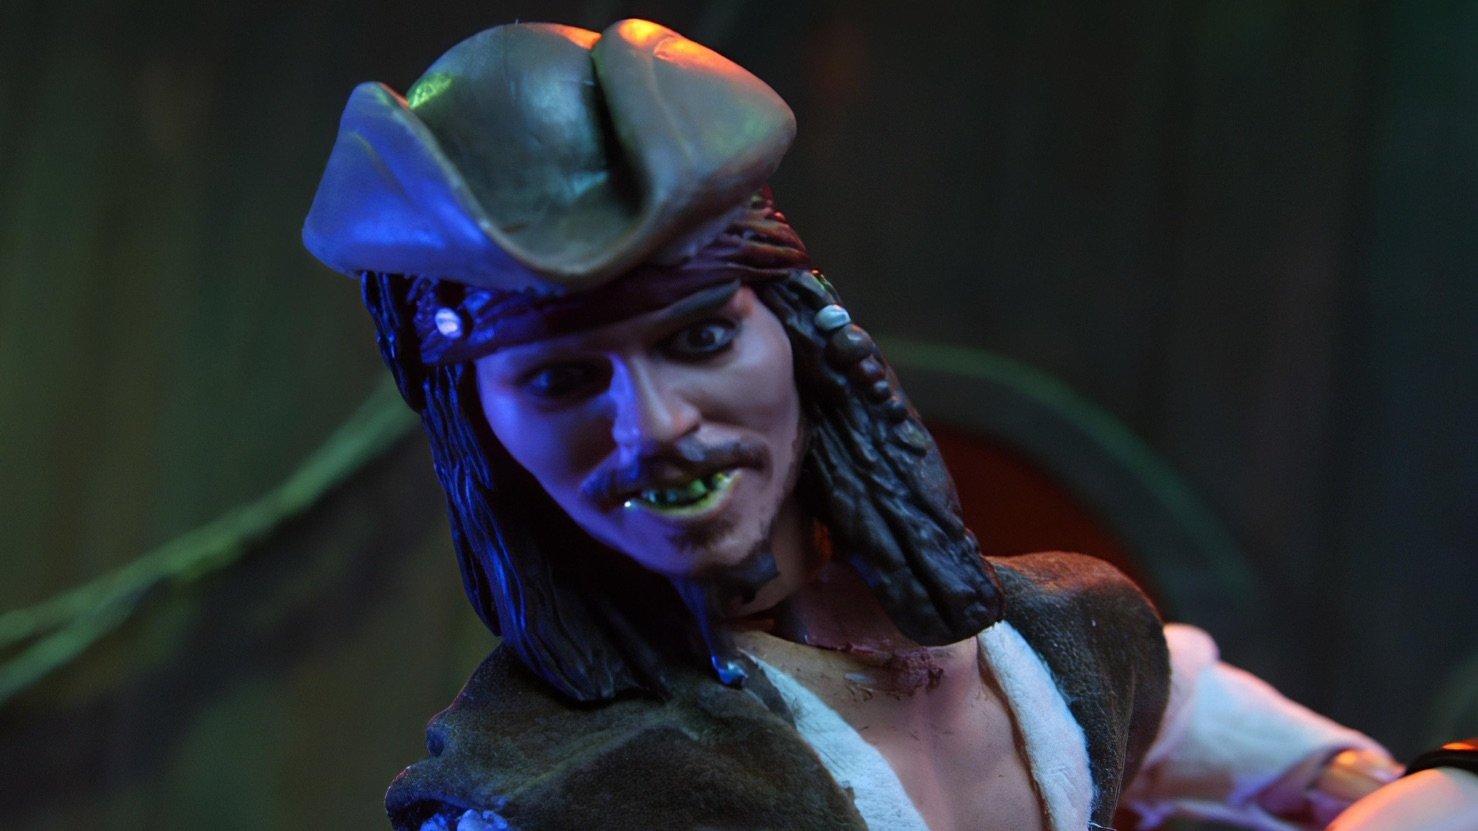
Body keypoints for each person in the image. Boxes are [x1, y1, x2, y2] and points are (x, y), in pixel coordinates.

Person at [302, 19, 1475, 831]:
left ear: (796, 333)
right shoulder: (542, 792)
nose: (654, 424)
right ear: (482, 425)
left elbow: (1178, 708)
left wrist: (1364, 785)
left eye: (699, 339)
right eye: (562, 380)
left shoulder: (1056, 637)